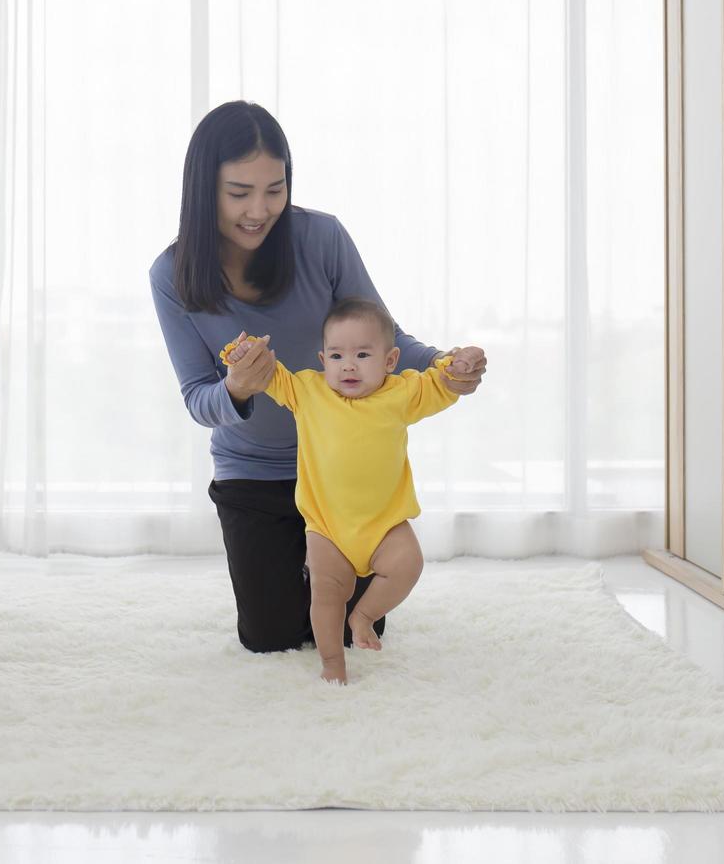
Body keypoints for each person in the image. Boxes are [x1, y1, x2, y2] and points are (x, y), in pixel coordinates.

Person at [148, 99, 488, 658]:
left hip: (344, 476)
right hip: (254, 477)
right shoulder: (173, 276)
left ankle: (335, 583)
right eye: (239, 193)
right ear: (203, 189)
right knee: (272, 636)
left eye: (274, 189)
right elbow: (196, 398)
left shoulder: (321, 239)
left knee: (359, 626)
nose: (260, 209)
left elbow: (386, 337)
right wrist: (236, 388)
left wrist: (447, 369)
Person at [218, 297, 476, 684]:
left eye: (362, 354)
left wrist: (457, 364)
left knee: (409, 564)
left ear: (390, 362)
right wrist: (240, 354)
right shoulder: (308, 391)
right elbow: (270, 375)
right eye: (337, 356)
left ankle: (364, 615)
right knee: (325, 595)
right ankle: (332, 663)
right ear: (323, 360)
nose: (348, 365)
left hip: (384, 524)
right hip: (328, 528)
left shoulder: (401, 393)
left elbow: (442, 386)